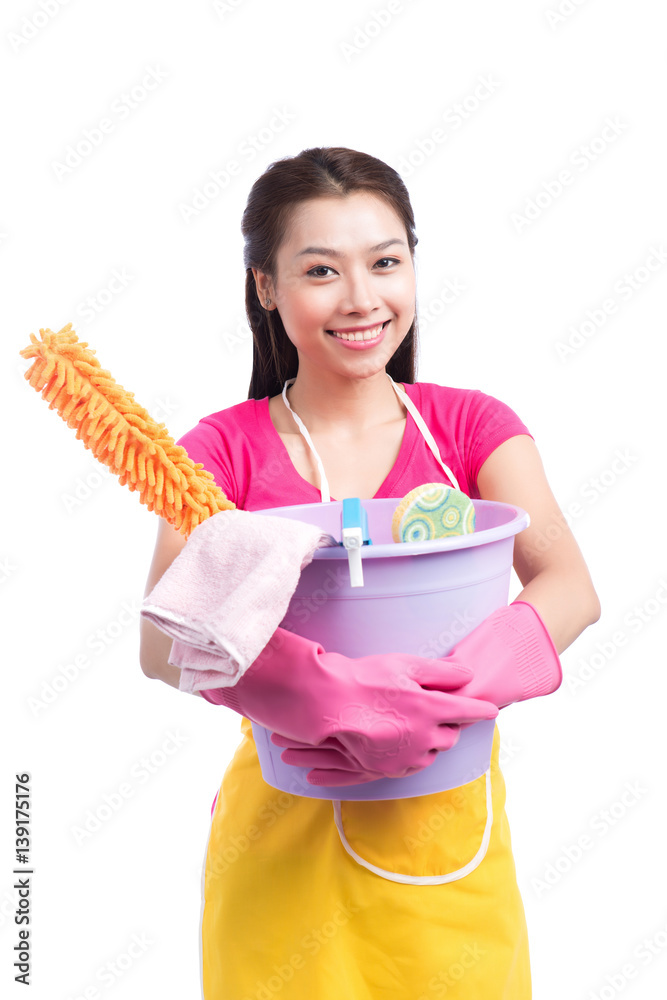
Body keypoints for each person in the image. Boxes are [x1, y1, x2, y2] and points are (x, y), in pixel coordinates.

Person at [139, 146, 600, 998]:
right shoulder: (218, 453)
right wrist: (317, 693)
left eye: (386, 263)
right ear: (265, 288)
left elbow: (568, 584)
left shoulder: (470, 427)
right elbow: (163, 641)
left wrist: (445, 696)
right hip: (280, 841)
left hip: (443, 833)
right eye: (320, 270)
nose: (361, 299)